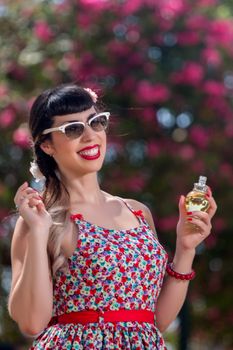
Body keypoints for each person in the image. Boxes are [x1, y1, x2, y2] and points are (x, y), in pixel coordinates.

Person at [8, 83, 217, 349]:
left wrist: (186, 248)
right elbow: (31, 324)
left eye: (96, 122)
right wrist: (38, 232)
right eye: (73, 129)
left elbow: (154, 322)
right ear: (47, 145)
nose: (90, 136)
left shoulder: (138, 212)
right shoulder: (39, 219)